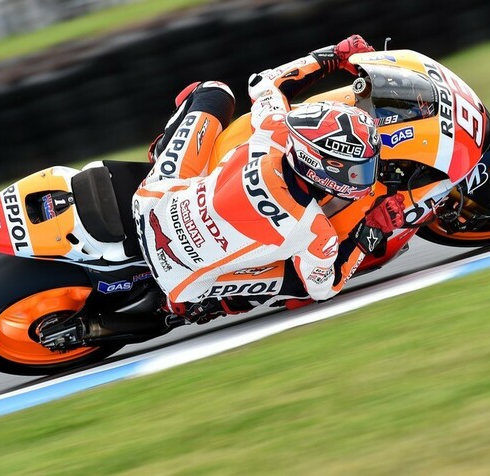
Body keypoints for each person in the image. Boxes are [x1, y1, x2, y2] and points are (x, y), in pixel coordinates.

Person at [133, 35, 406, 323]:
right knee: (301, 283)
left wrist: (334, 55)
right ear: (322, 168)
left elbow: (264, 82)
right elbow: (324, 288)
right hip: (178, 277)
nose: (365, 177)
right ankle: (214, 303)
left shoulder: (273, 133)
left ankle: (164, 150)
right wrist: (371, 231)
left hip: (151, 201)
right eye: (357, 170)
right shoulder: (315, 230)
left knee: (213, 92)